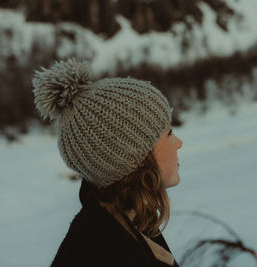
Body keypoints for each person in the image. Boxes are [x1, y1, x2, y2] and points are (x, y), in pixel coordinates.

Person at [32, 58, 183, 267]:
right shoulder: (105, 253)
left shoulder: (130, 219)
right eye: (169, 133)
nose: (179, 143)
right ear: (134, 155)